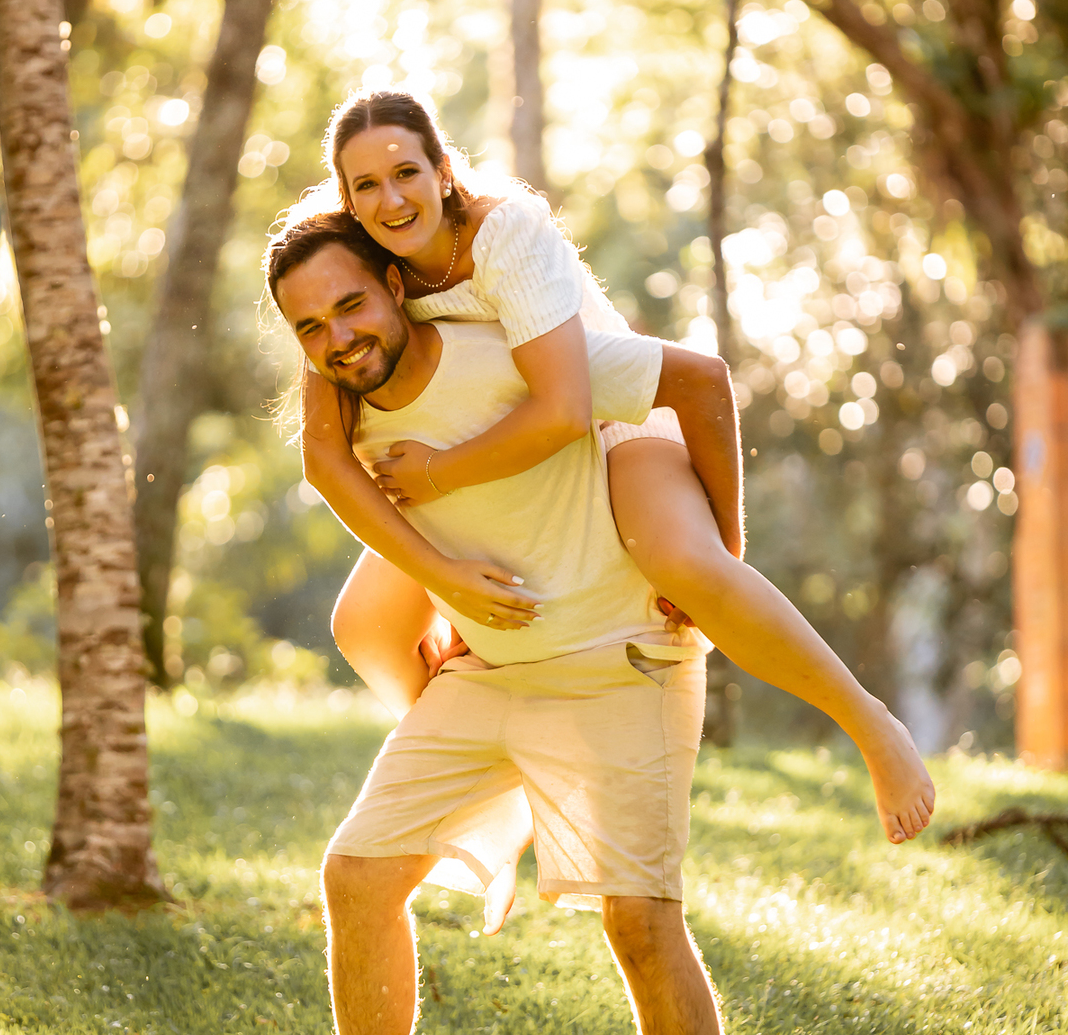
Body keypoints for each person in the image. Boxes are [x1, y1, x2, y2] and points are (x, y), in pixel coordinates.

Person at [294, 90, 935, 888]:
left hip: (612, 421)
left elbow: (567, 411)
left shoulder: (506, 233)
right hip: (488, 443)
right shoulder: (349, 283)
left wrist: (723, 545)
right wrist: (441, 575)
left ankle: (870, 725)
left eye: (405, 173)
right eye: (365, 186)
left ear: (444, 169)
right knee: (363, 624)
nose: (390, 199)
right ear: (346, 198)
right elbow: (323, 457)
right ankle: (487, 766)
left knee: (681, 560)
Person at [266, 208, 747, 1035]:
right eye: (311, 327)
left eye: (351, 303)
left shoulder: (518, 353)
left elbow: (697, 381)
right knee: (355, 876)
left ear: (399, 286)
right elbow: (330, 465)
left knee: (639, 921)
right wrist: (445, 597)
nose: (339, 335)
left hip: (619, 659)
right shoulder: (346, 404)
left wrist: (714, 566)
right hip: (490, 671)